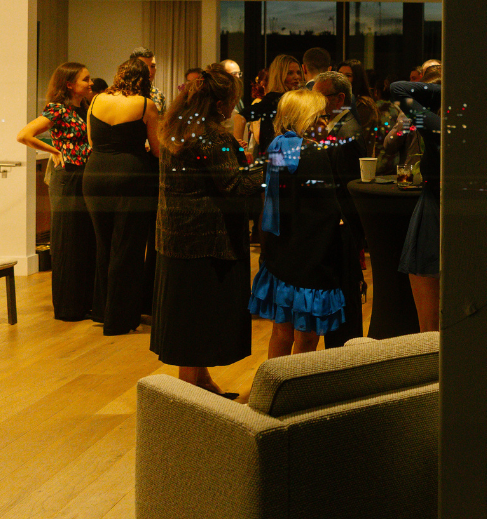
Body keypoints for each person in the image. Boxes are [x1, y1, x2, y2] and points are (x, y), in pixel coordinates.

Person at [152, 64, 264, 396]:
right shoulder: (214, 136)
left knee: (188, 314)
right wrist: (268, 170)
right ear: (220, 104)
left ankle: (201, 382)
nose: (234, 107)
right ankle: (191, 397)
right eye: (232, 100)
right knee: (198, 321)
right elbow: (234, 186)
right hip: (207, 239)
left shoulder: (176, 127)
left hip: (176, 234)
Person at [248, 88, 356, 358]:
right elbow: (326, 211)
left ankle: (270, 391)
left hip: (280, 252)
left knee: (281, 333)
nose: (324, 121)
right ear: (305, 117)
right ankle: (298, 395)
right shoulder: (313, 153)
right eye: (320, 115)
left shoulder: (277, 145)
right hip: (311, 257)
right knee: (306, 339)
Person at [83, 57, 160, 335]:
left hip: (95, 174)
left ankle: (103, 310)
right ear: (144, 80)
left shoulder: (96, 101)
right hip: (131, 175)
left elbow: (92, 142)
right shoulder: (144, 104)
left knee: (103, 244)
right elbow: (156, 150)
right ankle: (121, 318)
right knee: (127, 246)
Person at [16, 61, 95, 321]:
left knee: (82, 239)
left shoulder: (83, 108)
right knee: (67, 240)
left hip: (82, 176)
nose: (90, 83)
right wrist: (54, 150)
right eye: (85, 79)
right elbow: (24, 134)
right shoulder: (58, 109)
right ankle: (68, 306)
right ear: (70, 84)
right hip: (67, 177)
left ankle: (83, 302)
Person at [312, 70, 367, 345]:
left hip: (343, 230)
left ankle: (344, 365)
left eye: (319, 96)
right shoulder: (337, 126)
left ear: (339, 98)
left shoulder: (346, 133)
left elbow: (346, 192)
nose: (313, 101)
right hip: (340, 228)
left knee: (344, 307)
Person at [390, 63, 442, 332]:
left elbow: (397, 89)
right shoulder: (470, 122)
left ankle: (432, 370)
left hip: (436, 211)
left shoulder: (437, 126)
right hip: (448, 207)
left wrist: (440, 90)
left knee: (429, 327)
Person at [240, 54, 303, 158]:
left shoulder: (295, 99)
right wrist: (239, 150)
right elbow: (240, 116)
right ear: (280, 75)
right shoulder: (273, 99)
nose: (296, 77)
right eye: (290, 73)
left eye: (298, 73)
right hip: (276, 161)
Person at [129, 47, 166, 115]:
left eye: (152, 66)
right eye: (144, 67)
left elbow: (162, 122)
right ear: (132, 67)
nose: (149, 71)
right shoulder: (123, 92)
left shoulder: (158, 94)